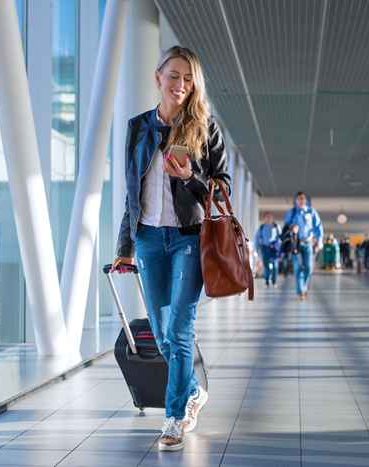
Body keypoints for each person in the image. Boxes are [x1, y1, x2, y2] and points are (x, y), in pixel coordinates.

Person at [113, 46, 230, 452]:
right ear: (157, 77)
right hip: (147, 237)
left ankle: (174, 417)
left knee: (180, 329)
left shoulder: (205, 128)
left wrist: (191, 177)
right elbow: (132, 190)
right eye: (174, 75)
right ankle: (194, 390)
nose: (180, 84)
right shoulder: (137, 128)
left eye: (188, 78)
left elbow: (222, 187)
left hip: (189, 237)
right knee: (162, 332)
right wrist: (125, 245)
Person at [283, 192, 323, 300]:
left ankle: (304, 287)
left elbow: (318, 227)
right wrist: (292, 227)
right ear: (296, 201)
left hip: (308, 243)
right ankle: (301, 291)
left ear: (305, 200)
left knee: (308, 268)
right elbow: (286, 227)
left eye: (303, 199)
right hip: (296, 243)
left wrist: (319, 241)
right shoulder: (292, 212)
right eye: (299, 199)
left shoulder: (311, 212)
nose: (301, 201)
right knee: (298, 268)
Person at [254, 213, 281, 287]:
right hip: (265, 248)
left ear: (272, 219)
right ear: (264, 219)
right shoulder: (261, 227)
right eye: (267, 217)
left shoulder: (276, 227)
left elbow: (281, 238)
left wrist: (280, 249)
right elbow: (256, 239)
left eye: (270, 217)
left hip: (274, 249)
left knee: (275, 266)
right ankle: (267, 281)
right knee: (266, 266)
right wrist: (256, 250)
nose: (268, 219)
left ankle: (274, 281)